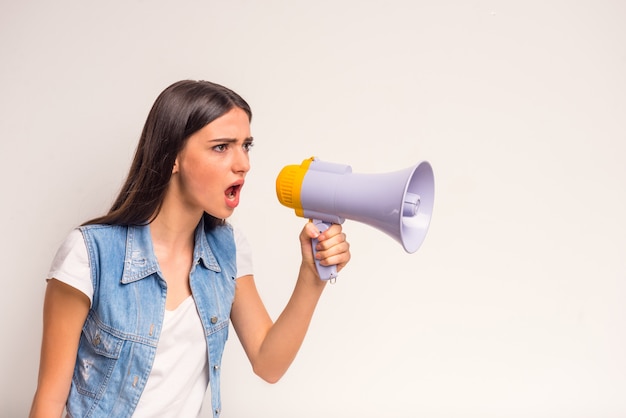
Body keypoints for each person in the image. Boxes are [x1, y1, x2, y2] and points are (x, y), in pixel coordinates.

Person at [28, 80, 351, 418]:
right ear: (173, 157)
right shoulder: (89, 254)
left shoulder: (228, 250)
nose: (243, 164)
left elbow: (268, 364)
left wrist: (311, 279)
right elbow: (50, 401)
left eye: (246, 146)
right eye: (222, 147)